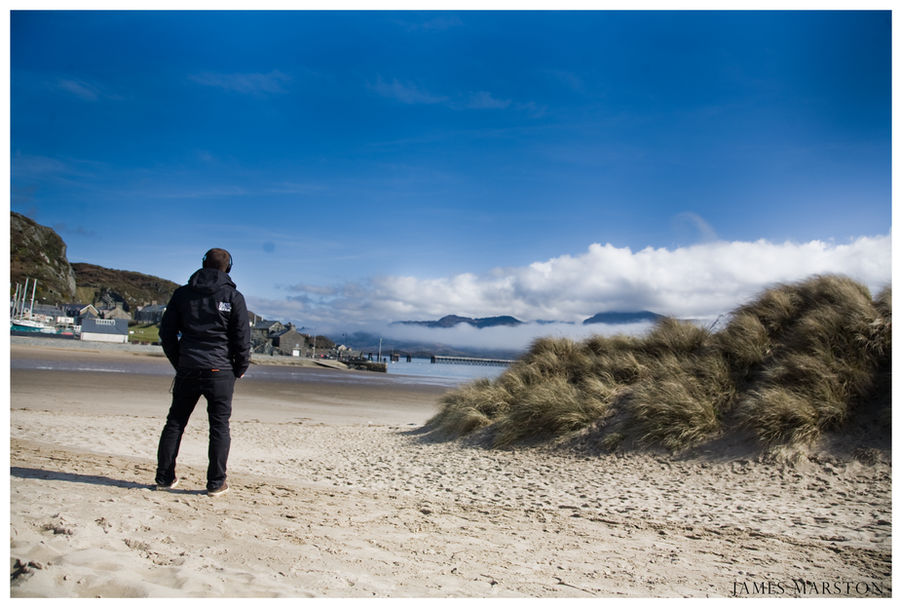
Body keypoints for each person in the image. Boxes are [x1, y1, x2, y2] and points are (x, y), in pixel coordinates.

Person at [155, 248, 251, 497]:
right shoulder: (233, 297)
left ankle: (164, 477)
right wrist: (240, 368)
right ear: (228, 268)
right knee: (219, 426)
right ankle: (216, 482)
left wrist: (180, 361)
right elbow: (241, 338)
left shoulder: (183, 294)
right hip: (219, 370)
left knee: (175, 423)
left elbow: (166, 334)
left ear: (202, 264)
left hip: (189, 367)